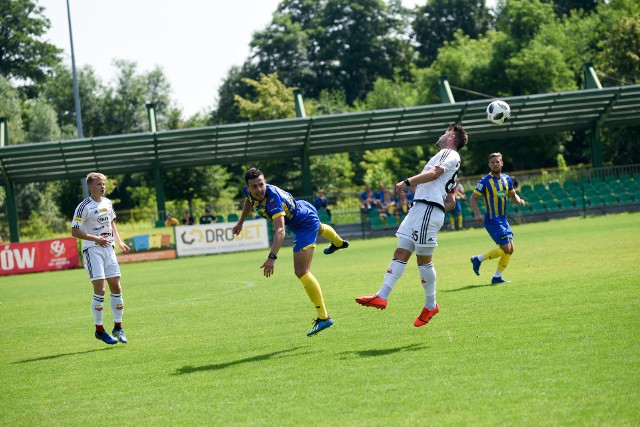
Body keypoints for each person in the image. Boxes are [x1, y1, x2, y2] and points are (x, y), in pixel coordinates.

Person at [355, 124, 468, 327]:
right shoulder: (450, 162)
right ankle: (382, 295)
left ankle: (431, 304)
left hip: (426, 210)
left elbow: (434, 173)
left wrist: (407, 182)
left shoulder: (448, 153)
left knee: (424, 261)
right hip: (420, 209)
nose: (441, 135)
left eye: (445, 132)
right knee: (401, 251)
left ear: (451, 136)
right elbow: (451, 201)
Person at [232, 168, 350, 336]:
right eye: (254, 187)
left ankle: (324, 317)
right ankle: (338, 243)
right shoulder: (250, 192)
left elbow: (280, 231)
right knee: (320, 228)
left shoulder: (272, 200)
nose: (258, 190)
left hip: (304, 223)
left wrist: (272, 257)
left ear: (265, 182)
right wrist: (241, 222)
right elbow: (248, 200)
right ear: (248, 187)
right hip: (302, 210)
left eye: (261, 185)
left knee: (301, 271)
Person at [71, 172, 131, 345]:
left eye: (103, 183)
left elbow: (112, 223)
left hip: (109, 249)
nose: (102, 186)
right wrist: (96, 239)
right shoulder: (84, 207)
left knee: (116, 286)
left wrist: (119, 242)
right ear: (90, 186)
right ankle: (99, 330)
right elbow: (75, 231)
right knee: (101, 290)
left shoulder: (107, 203)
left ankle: (118, 328)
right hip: (93, 250)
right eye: (98, 184)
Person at [469, 152, 526, 284]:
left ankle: (497, 277)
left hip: (503, 220)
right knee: (506, 248)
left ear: (502, 163)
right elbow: (473, 198)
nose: (495, 164)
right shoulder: (484, 181)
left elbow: (512, 195)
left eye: (497, 161)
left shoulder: (507, 179)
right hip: (492, 220)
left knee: (511, 249)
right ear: (489, 165)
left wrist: (519, 200)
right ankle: (478, 259)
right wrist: (477, 214)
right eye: (492, 162)